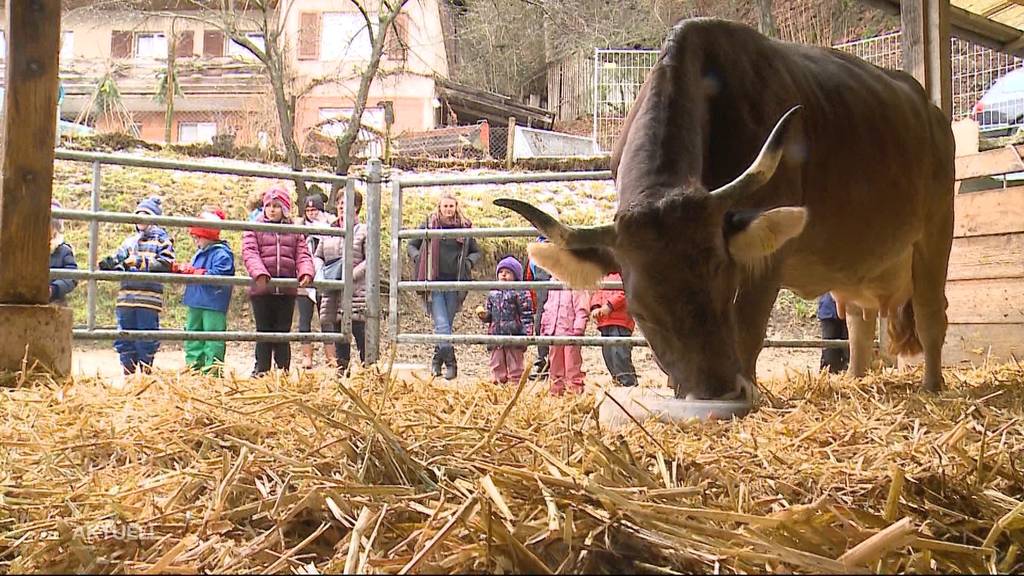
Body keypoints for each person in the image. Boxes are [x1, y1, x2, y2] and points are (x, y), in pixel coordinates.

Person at [407, 193, 481, 380]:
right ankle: (451, 364)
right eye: (445, 206)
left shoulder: (464, 227)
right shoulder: (429, 225)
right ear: (439, 207)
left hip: (455, 282)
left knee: (445, 325)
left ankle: (436, 361)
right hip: (434, 281)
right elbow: (411, 245)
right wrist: (419, 258)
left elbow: (476, 251)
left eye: (451, 206)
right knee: (441, 323)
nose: (448, 209)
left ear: (456, 207)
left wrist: (469, 263)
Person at [242, 187, 315, 376]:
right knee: (263, 331)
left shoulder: (294, 230)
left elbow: (302, 254)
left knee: (283, 332)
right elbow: (250, 253)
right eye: (269, 206)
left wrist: (306, 272)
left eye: (277, 206)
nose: (272, 210)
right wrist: (259, 273)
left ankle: (283, 371)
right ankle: (261, 370)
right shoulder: (255, 227)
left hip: (286, 289)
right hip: (262, 289)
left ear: (285, 208)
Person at [99, 196, 175, 375]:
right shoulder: (129, 242)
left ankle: (146, 373)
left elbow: (166, 264)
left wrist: (140, 261)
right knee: (124, 336)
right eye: (138, 215)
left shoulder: (162, 240)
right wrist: (111, 265)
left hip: (147, 299)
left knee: (146, 336)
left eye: (146, 215)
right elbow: (121, 261)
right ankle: (129, 374)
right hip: (126, 298)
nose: (141, 219)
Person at [174, 209, 235, 376]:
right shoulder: (200, 252)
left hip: (213, 303)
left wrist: (194, 272)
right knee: (193, 336)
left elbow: (219, 276)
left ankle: (212, 373)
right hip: (195, 300)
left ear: (208, 235)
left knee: (213, 338)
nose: (195, 241)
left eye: (198, 237)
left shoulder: (222, 254)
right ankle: (193, 368)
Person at [316, 189, 367, 376]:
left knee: (361, 335)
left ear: (357, 207)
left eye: (347, 204)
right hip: (335, 292)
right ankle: (342, 376)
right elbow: (318, 255)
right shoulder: (329, 231)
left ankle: (368, 375)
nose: (342, 208)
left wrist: (350, 276)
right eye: (340, 204)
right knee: (340, 336)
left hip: (357, 292)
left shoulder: (364, 230)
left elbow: (369, 260)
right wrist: (321, 272)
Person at [475, 255, 534, 385]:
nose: (503, 275)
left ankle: (515, 387)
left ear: (516, 276)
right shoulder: (493, 293)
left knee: (515, 366)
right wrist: (485, 316)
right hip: (496, 335)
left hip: (514, 336)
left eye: (507, 272)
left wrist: (527, 335)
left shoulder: (521, 292)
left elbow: (527, 314)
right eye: (501, 272)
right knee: (496, 364)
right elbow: (490, 313)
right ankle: (497, 388)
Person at [296, 187, 334, 369]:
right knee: (304, 318)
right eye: (308, 210)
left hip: (324, 276)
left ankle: (331, 356)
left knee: (326, 317)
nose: (311, 214)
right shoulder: (300, 228)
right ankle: (306, 355)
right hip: (304, 279)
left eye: (314, 210)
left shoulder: (330, 227)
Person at [540, 277, 590, 395]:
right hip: (555, 331)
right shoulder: (553, 283)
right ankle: (556, 392)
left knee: (571, 364)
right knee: (555, 364)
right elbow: (548, 306)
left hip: (570, 331)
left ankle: (573, 392)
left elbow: (581, 307)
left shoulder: (576, 282)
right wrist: (545, 325)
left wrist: (579, 327)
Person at [590, 272, 638, 387]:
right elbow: (597, 292)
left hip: (620, 320)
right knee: (608, 354)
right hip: (604, 321)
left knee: (619, 352)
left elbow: (625, 292)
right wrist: (595, 307)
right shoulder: (602, 275)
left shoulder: (624, 272)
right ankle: (617, 379)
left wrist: (609, 306)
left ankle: (628, 382)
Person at [524, 235, 552, 381]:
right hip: (540, 289)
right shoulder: (536, 244)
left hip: (553, 288)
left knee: (552, 325)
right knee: (540, 324)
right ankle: (544, 360)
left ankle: (551, 363)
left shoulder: (554, 243)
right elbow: (530, 274)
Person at [48, 200, 78, 306]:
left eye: (51, 225)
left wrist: (54, 289)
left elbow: (71, 276)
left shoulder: (63, 250)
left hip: (55, 299)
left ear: (56, 229)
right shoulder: (29, 249)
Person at [818, 292, 850, 374]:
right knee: (829, 354)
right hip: (829, 309)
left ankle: (848, 378)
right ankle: (828, 378)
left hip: (852, 309)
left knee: (850, 353)